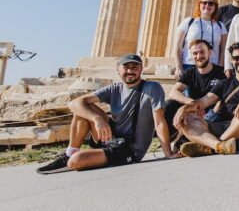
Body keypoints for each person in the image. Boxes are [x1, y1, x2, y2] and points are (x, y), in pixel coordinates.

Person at [36, 54, 175, 174]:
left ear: (141, 69)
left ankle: (74, 158)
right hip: (110, 138)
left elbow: (159, 122)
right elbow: (74, 104)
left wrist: (168, 153)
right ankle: (70, 152)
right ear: (118, 69)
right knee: (83, 108)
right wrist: (97, 119)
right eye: (126, 67)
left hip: (129, 149)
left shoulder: (152, 88)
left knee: (75, 162)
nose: (130, 71)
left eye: (134, 67)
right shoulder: (115, 88)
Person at [174, 41, 239, 157]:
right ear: (231, 60)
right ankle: (220, 146)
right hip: (222, 127)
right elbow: (203, 102)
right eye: (236, 58)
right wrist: (184, 109)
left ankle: (213, 146)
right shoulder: (224, 83)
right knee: (187, 117)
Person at [164, 40, 226, 146]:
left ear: (210, 52)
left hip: (214, 115)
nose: (199, 56)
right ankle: (174, 139)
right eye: (195, 53)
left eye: (202, 52)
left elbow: (224, 98)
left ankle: (190, 140)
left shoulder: (221, 73)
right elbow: (173, 92)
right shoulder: (190, 73)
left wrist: (210, 113)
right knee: (169, 104)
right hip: (194, 112)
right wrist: (192, 103)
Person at [170, 0, 228, 77]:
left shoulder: (220, 26)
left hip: (212, 66)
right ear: (199, 5)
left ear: (215, 7)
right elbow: (177, 46)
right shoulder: (189, 22)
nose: (207, 5)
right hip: (189, 65)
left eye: (211, 3)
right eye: (204, 3)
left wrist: (220, 67)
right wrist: (178, 67)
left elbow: (223, 49)